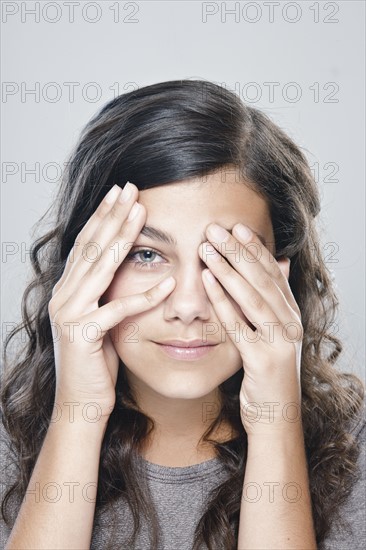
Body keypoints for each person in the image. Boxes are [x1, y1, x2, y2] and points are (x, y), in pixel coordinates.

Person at [0, 79, 365, 550]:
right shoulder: (10, 443)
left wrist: (277, 419)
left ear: (280, 273)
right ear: (83, 265)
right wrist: (79, 412)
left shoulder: (353, 450)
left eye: (225, 256)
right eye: (146, 255)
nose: (189, 307)